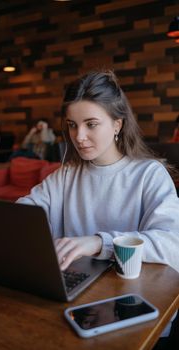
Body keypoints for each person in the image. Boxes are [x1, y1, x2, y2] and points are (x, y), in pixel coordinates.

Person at [17, 70, 179, 347]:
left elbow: (172, 243)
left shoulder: (148, 174)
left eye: (91, 124)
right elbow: (23, 215)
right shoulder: (66, 175)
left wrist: (98, 242)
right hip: (76, 298)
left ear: (117, 124)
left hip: (134, 304)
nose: (79, 136)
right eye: (72, 125)